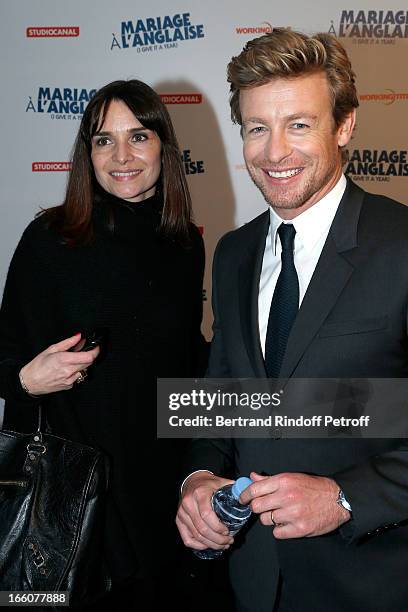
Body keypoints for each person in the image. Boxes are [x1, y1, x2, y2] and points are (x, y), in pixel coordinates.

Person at [176, 29, 408, 612]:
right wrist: (198, 478)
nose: (274, 152)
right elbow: (220, 394)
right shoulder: (231, 253)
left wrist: (347, 498)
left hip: (376, 582)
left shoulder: (401, 244)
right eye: (257, 128)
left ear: (345, 125)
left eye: (298, 125)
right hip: (253, 582)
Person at [0, 79, 205, 608]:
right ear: (86, 154)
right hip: (74, 496)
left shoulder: (184, 244)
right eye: (102, 140)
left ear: (164, 146)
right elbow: (4, 355)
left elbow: (183, 360)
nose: (121, 156)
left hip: (163, 488)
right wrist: (26, 379)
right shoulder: (52, 238)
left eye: (138, 136)